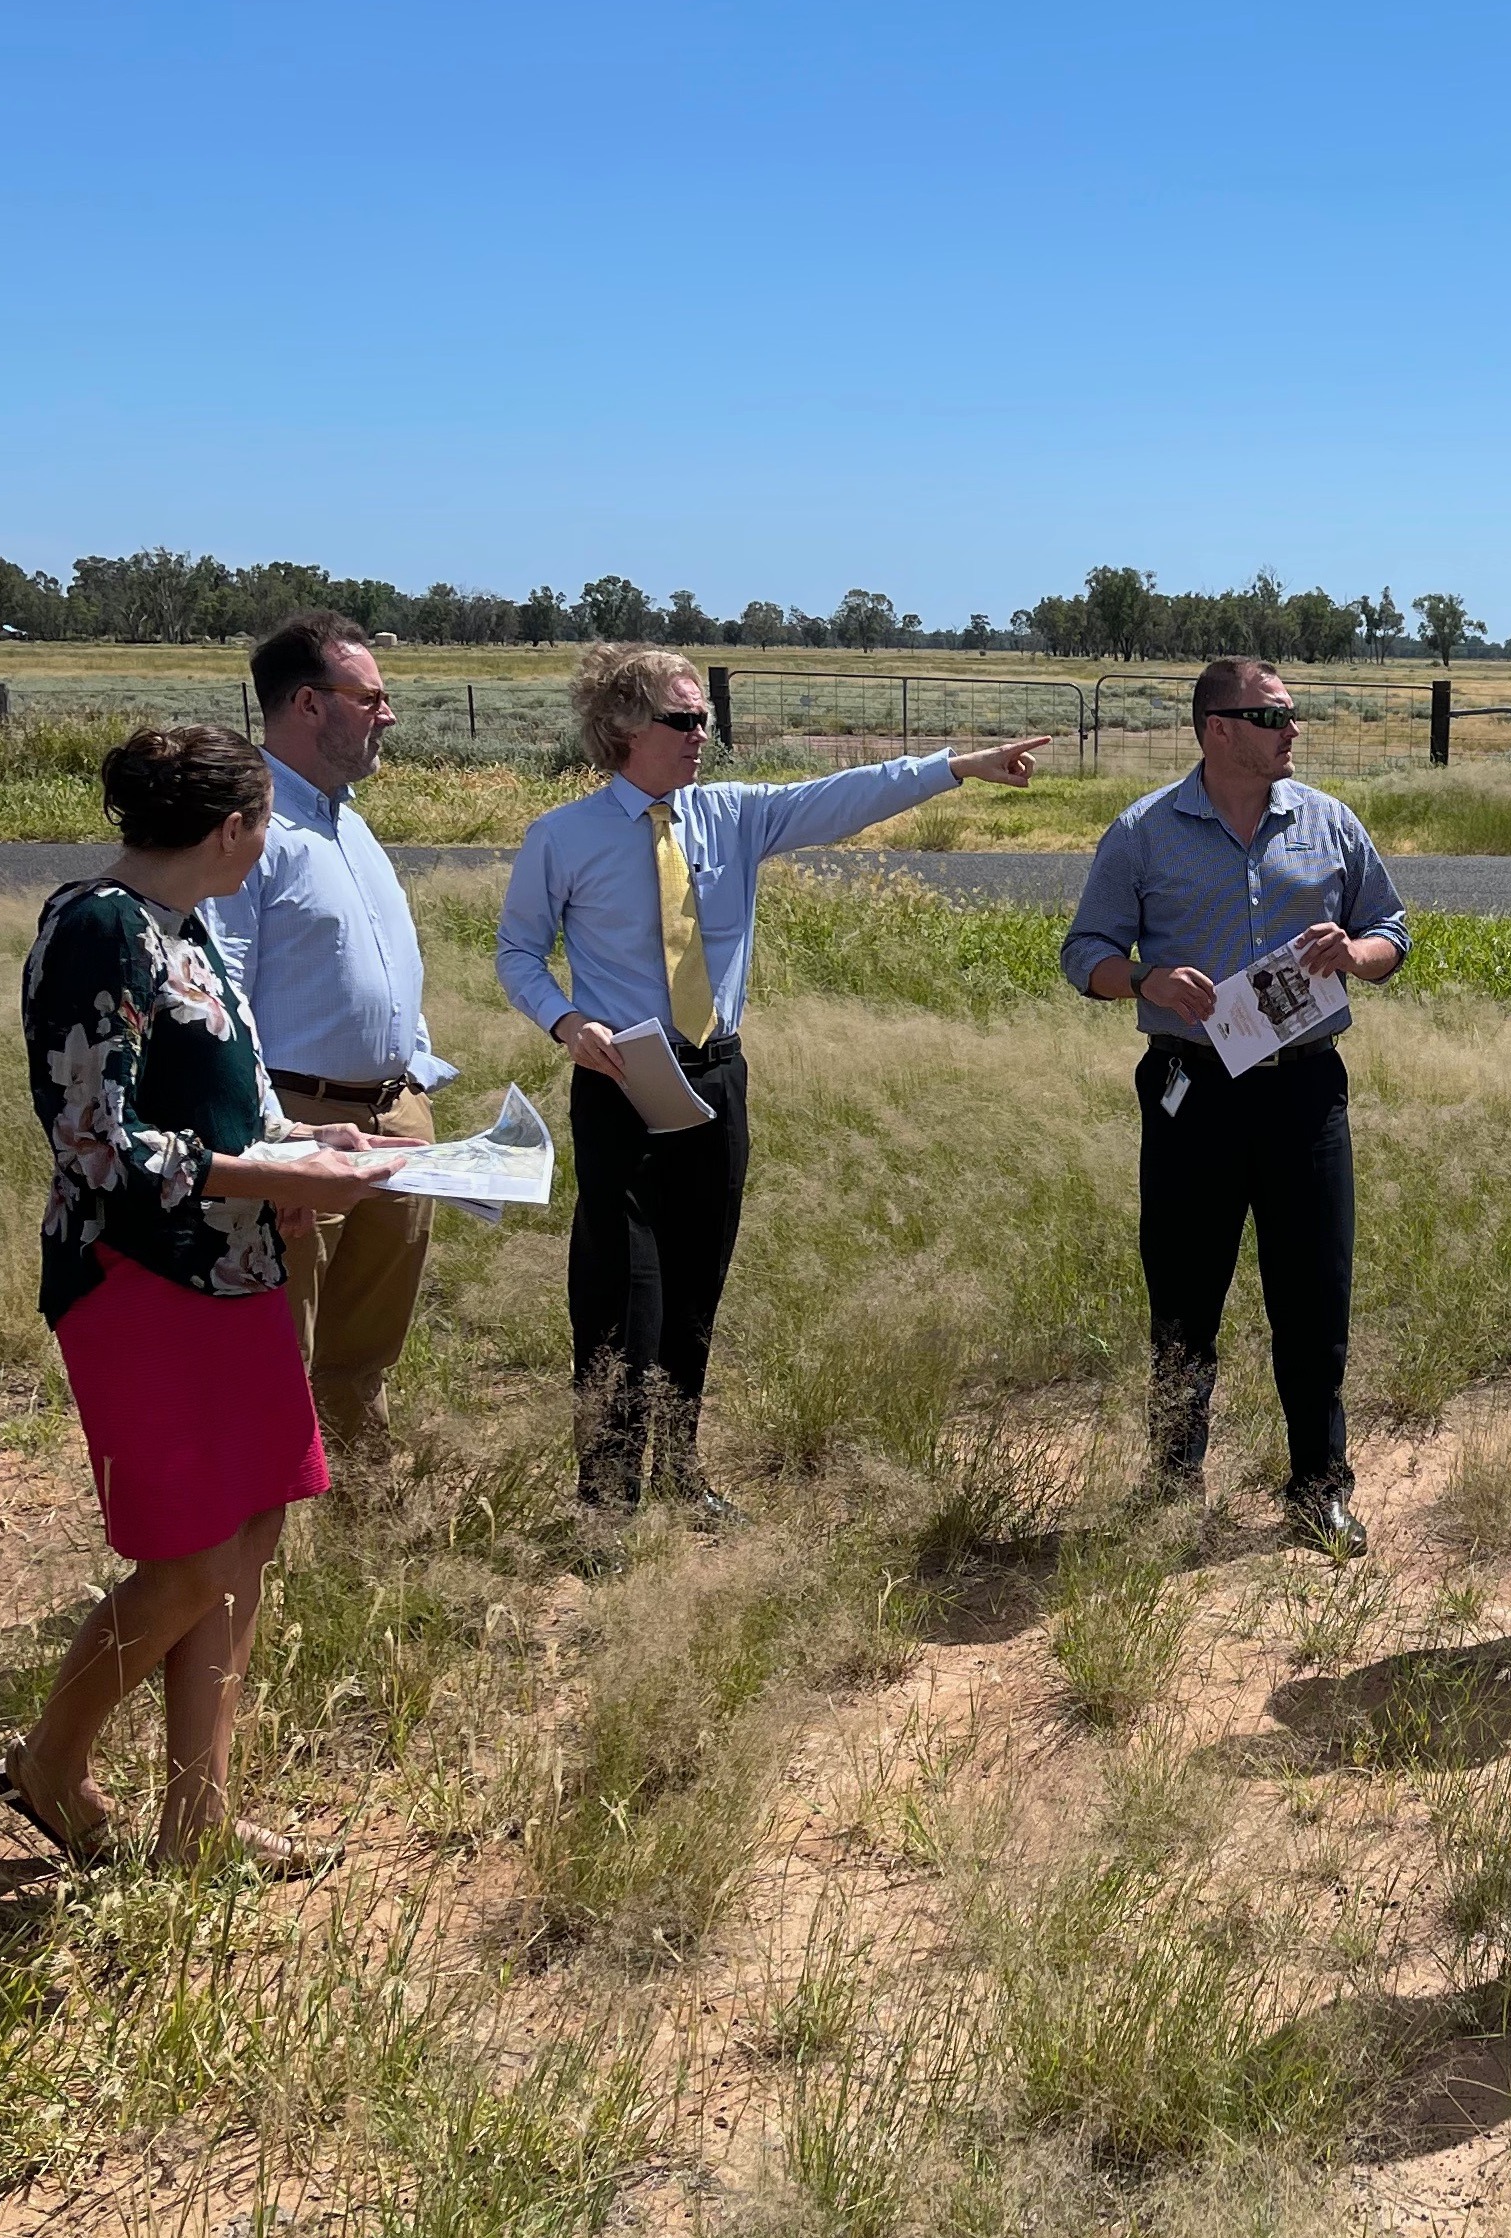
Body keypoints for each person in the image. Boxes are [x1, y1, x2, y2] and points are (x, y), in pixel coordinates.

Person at [497, 644, 1050, 1517]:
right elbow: (517, 952)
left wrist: (958, 768)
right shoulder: (561, 837)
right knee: (621, 1291)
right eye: (683, 720)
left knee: (697, 1282)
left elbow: (846, 797)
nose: (701, 737)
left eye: (705, 721)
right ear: (622, 728)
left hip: (716, 1080)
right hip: (621, 1082)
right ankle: (608, 1500)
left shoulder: (734, 816)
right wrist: (568, 1023)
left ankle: (680, 1473)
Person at [0, 726, 415, 1871]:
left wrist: (303, 1137)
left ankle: (200, 1814)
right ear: (232, 827)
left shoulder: (189, 932)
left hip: (232, 1273)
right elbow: (95, 1147)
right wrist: (269, 1174)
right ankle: (50, 1761)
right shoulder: (98, 929)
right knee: (185, 1559)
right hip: (139, 1280)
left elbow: (223, 1106)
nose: (268, 843)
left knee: (251, 1531)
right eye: (265, 823)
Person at [1060, 657, 1410, 1555]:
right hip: (1194, 1088)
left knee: (1314, 1292)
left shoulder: (1330, 822)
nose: (1293, 729)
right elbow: (1083, 953)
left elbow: (1393, 931)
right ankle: (1173, 1481)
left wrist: (1357, 955)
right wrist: (1145, 977)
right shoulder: (1143, 831)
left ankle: (1319, 1486)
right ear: (1217, 728)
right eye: (1272, 716)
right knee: (1183, 1291)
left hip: (1303, 1087)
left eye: (1293, 715)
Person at [206, 611, 454, 1463]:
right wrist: (273, 1140)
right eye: (371, 696)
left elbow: (379, 961)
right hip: (302, 1123)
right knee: (284, 1343)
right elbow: (220, 994)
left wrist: (413, 1077)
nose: (387, 713)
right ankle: (271, 1538)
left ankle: (357, 1507)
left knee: (365, 1348)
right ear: (309, 704)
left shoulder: (348, 822)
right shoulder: (251, 827)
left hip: (392, 1119)